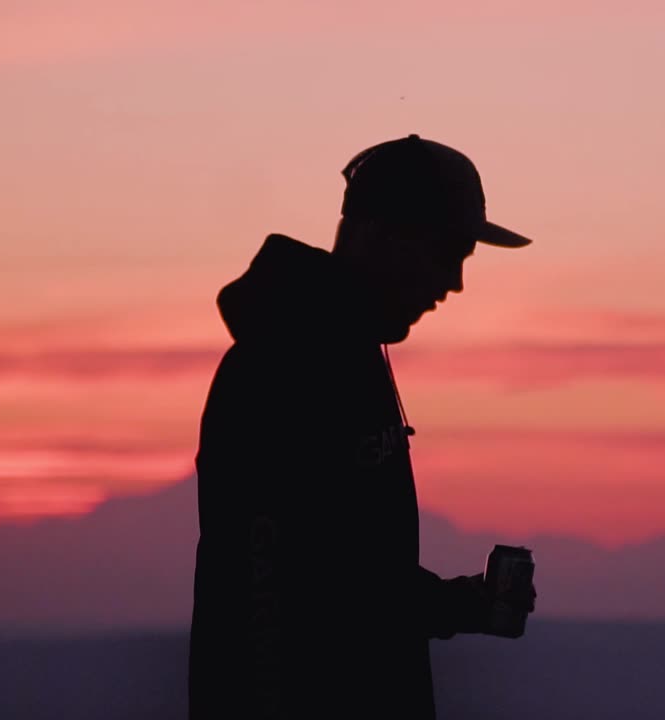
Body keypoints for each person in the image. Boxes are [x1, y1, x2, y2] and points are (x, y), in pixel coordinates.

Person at [188, 134, 537, 719]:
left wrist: (457, 604)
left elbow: (343, 572)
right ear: (378, 232)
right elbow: (295, 586)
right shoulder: (286, 363)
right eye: (444, 252)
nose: (453, 283)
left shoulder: (347, 355)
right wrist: (450, 607)